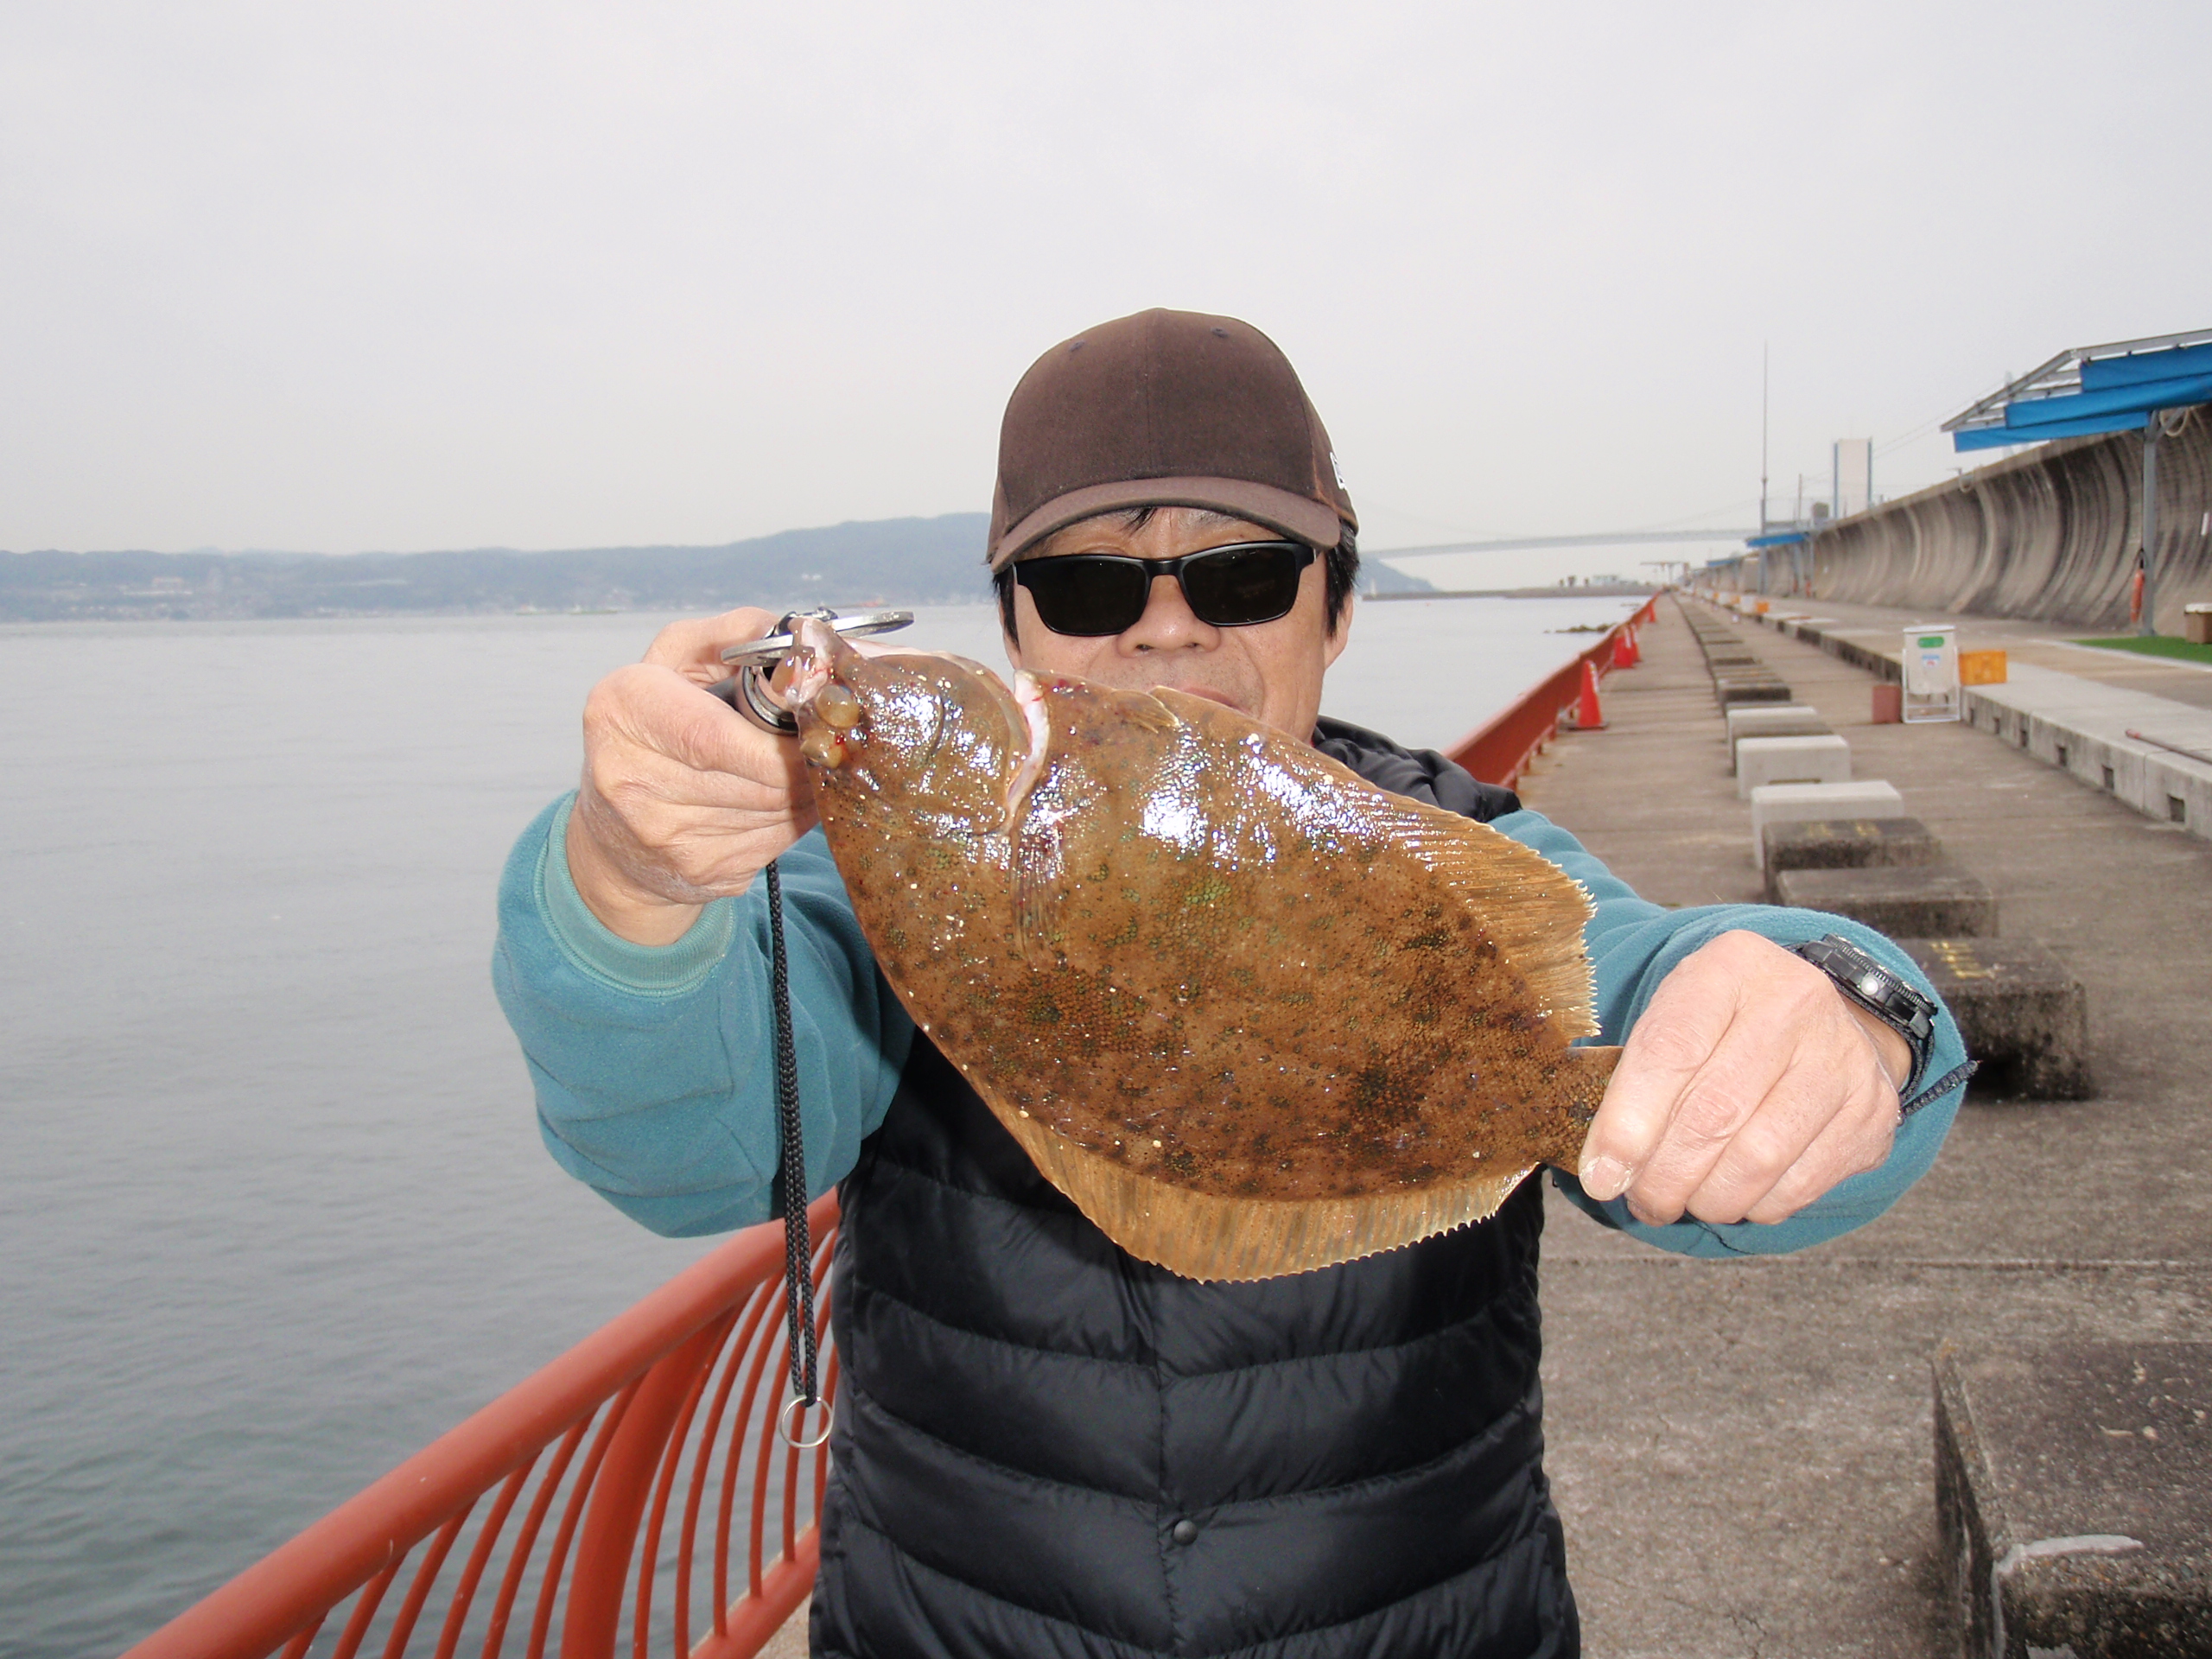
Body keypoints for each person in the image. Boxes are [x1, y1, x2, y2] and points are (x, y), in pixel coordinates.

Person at [494, 308, 1967, 1659]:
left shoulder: (1456, 855)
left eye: (1243, 573)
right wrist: (633, 893)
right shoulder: (868, 890)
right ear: (1013, 626)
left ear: (1335, 609)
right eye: (1085, 583)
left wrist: (1848, 1006)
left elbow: (1666, 992)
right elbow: (697, 1149)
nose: (1167, 626)